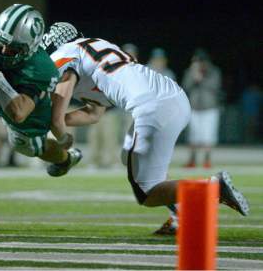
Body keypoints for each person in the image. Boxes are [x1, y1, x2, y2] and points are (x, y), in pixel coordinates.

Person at [42, 22, 249, 222]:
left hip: (152, 107)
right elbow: (94, 114)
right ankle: (182, 214)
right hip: (173, 96)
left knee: (147, 193)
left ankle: (213, 187)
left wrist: (61, 140)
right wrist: (60, 120)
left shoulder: (66, 53)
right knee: (130, 158)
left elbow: (57, 113)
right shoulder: (96, 49)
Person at [0, 4, 82, 171]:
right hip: (2, 85)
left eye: (12, 49)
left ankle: (67, 159)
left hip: (26, 100)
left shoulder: (41, 68)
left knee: (28, 147)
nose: (2, 51)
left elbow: (19, 114)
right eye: (1, 43)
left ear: (31, 46)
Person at [182, 48, 221, 168]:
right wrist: (194, 76)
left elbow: (215, 87)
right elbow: (185, 86)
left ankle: (207, 159)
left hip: (210, 108)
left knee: (208, 135)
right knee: (193, 135)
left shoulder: (214, 72)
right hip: (194, 107)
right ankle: (192, 159)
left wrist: (201, 80)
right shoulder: (190, 72)